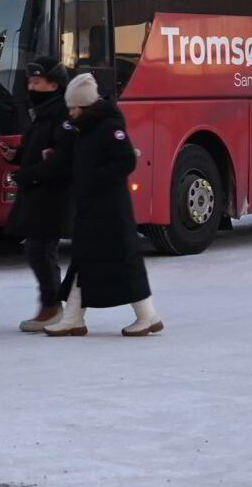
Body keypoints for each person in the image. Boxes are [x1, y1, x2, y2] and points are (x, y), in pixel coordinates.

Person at [45, 73, 162, 338]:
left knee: (122, 262)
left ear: (86, 106)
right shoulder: (85, 129)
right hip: (93, 209)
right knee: (85, 261)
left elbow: (126, 161)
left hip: (110, 211)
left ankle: (147, 316)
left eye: (74, 108)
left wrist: (93, 178)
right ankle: (74, 318)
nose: (70, 113)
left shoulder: (108, 127)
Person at [4, 58, 75, 332]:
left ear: (53, 85)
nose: (31, 87)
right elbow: (39, 148)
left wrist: (27, 174)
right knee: (39, 248)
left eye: (36, 82)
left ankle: (51, 307)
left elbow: (60, 159)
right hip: (38, 190)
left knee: (39, 249)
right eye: (30, 82)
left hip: (52, 193)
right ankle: (52, 304)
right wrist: (17, 155)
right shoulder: (41, 111)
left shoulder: (61, 115)